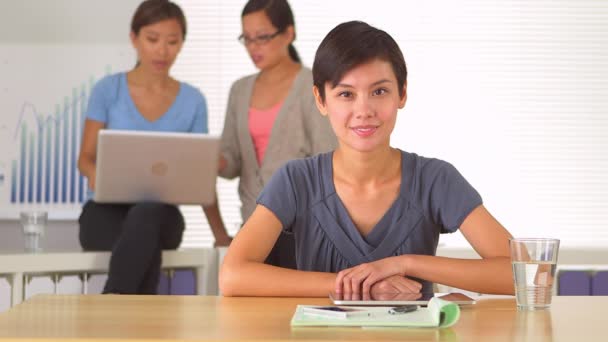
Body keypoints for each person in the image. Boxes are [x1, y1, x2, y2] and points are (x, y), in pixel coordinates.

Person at [219, 21, 514, 297]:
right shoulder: (297, 180)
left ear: (402, 93)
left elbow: (525, 274)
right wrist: (363, 287)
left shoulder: (435, 179)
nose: (364, 110)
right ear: (321, 100)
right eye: (346, 94)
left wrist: (406, 264)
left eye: (380, 91)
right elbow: (232, 276)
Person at [77, 0, 229, 294]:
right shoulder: (107, 90)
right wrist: (94, 173)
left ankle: (112, 302)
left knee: (147, 216)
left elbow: (201, 174)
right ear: (134, 39)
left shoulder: (193, 100)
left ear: (182, 43)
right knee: (145, 244)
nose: (162, 51)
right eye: (152, 39)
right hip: (104, 216)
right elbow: (84, 158)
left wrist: (220, 234)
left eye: (172, 41)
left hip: (162, 218)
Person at [217, 0, 337, 268]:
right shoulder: (239, 90)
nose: (253, 48)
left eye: (262, 37)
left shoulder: (312, 86)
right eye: (246, 39)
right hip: (252, 225)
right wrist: (209, 160)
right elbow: (232, 162)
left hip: (300, 228)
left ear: (288, 33)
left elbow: (329, 161)